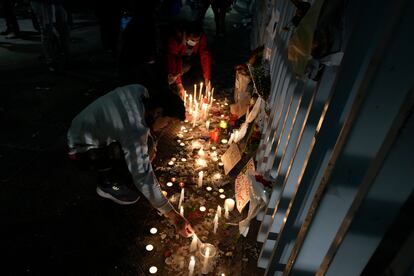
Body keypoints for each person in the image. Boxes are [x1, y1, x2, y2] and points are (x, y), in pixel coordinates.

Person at [67, 84, 194, 238]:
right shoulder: (133, 130)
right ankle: (108, 184)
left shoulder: (140, 91)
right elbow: (143, 175)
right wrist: (173, 215)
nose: (167, 127)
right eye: (168, 122)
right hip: (83, 151)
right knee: (140, 152)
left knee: (148, 144)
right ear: (158, 112)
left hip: (82, 127)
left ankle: (119, 168)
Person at [165, 22, 211, 97]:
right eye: (192, 40)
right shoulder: (174, 38)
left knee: (197, 71)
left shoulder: (201, 36)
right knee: (173, 76)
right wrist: (179, 84)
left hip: (191, 58)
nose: (195, 43)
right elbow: (173, 59)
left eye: (197, 41)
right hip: (179, 60)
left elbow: (205, 56)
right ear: (185, 34)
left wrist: (207, 78)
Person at [31, 0, 70, 71]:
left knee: (63, 29)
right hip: (43, 4)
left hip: (55, 3)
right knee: (47, 31)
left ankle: (64, 56)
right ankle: (51, 61)